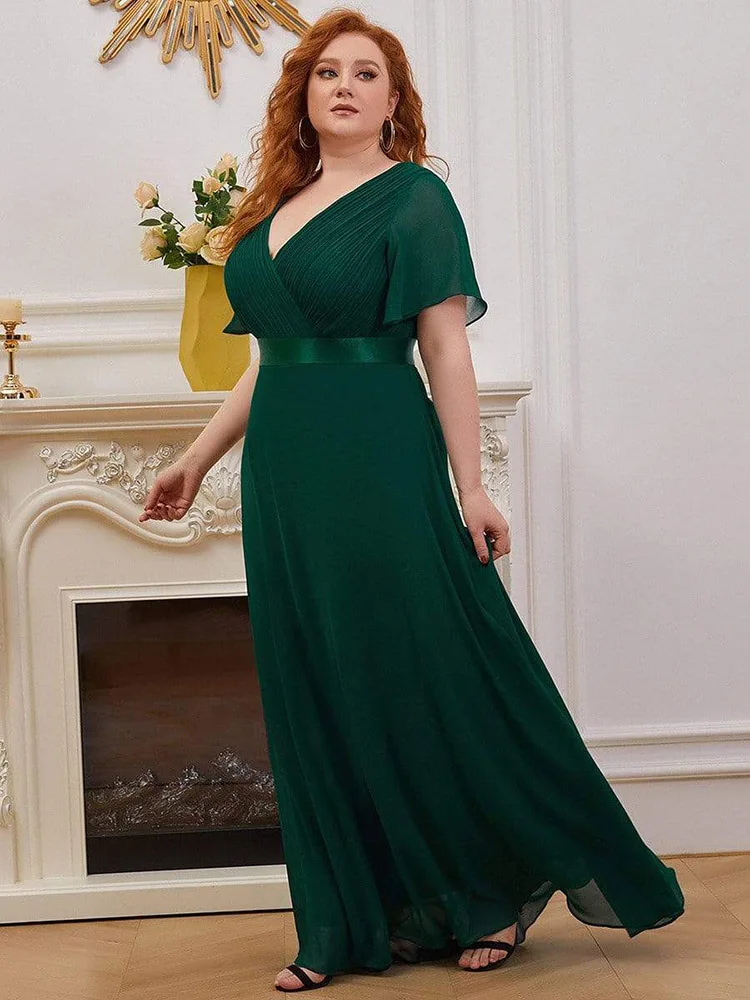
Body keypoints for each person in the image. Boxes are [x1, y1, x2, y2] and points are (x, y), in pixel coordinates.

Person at [139, 7, 685, 994]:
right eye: (328, 73)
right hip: (287, 473)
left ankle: (487, 892)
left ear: (394, 101)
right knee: (314, 680)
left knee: (423, 666)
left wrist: (471, 486)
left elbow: (445, 350)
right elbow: (270, 362)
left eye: (367, 74)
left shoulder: (416, 199)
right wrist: (196, 460)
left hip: (380, 455)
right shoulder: (273, 206)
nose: (345, 86)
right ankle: (341, 922)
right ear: (303, 95)